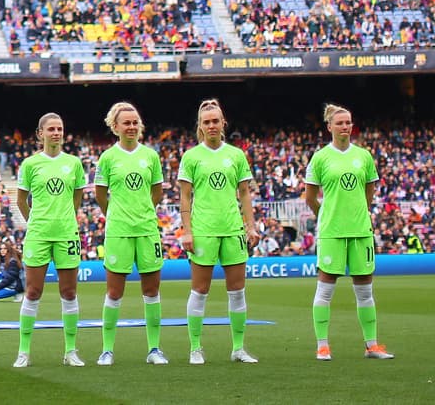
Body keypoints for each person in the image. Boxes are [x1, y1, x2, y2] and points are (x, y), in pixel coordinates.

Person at [305, 103, 394, 361]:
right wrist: (328, 216)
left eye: (348, 122)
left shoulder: (363, 156)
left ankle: (372, 345)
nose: (345, 126)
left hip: (360, 230)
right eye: (340, 123)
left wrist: (360, 213)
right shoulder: (321, 157)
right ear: (329, 126)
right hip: (332, 231)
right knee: (325, 288)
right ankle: (322, 345)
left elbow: (369, 191)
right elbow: (311, 198)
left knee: (365, 289)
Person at [179, 98, 260, 365]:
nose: (211, 125)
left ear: (223, 123)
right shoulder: (191, 156)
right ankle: (195, 347)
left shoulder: (235, 155)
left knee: (237, 290)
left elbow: (245, 193)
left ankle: (238, 348)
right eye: (206, 122)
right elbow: (185, 197)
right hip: (204, 231)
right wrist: (187, 231)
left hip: (232, 229)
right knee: (200, 290)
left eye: (215, 121)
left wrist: (250, 226)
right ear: (200, 126)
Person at [94, 101, 168, 366]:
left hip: (147, 230)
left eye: (135, 122)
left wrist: (144, 210)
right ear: (115, 127)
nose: (132, 126)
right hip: (119, 231)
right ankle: (107, 350)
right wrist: (114, 214)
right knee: (114, 292)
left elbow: (157, 191)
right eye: (126, 122)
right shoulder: (108, 158)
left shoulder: (150, 156)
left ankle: (154, 349)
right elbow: (100, 194)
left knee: (151, 290)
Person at [13, 112, 87, 368]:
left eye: (60, 128)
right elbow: (21, 200)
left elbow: (77, 198)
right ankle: (23, 352)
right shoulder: (30, 164)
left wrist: (66, 218)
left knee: (69, 292)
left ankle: (70, 350)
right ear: (40, 133)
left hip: (66, 233)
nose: (56, 133)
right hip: (38, 235)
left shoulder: (74, 164)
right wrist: (35, 221)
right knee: (33, 291)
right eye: (52, 129)